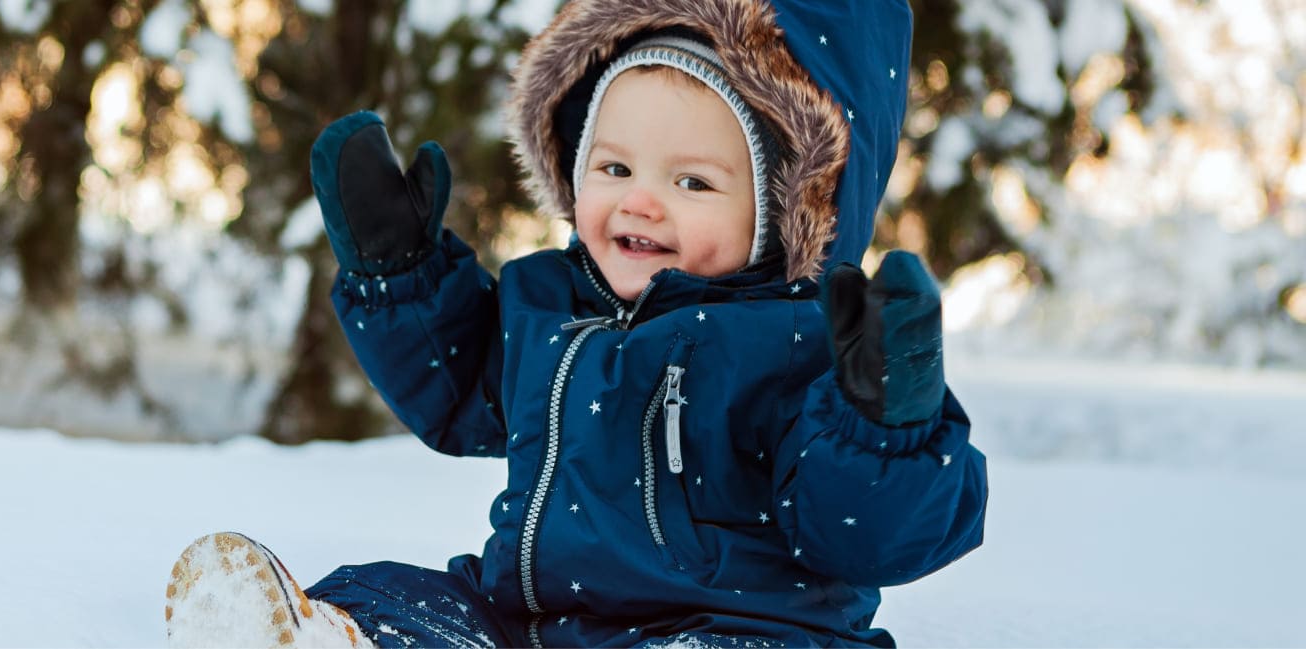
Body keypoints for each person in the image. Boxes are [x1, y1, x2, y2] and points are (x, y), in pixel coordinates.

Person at [166, 0, 988, 645]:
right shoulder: (546, 299)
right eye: (615, 166)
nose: (639, 199)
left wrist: (884, 425)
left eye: (693, 182)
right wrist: (401, 274)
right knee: (397, 594)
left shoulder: (797, 344)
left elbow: (863, 538)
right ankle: (329, 639)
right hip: (526, 623)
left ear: (784, 210)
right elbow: (460, 392)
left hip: (734, 630)